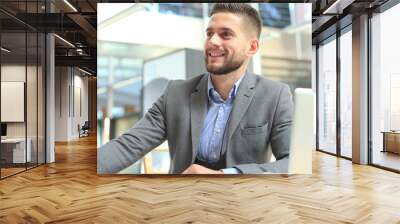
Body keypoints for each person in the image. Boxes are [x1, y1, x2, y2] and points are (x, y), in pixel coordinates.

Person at [98, 3, 293, 174]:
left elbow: (292, 162)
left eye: (226, 34)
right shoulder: (175, 93)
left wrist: (226, 175)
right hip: (182, 206)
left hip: (243, 207)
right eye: (210, 33)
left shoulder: (275, 95)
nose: (212, 41)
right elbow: (128, 145)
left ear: (252, 47)